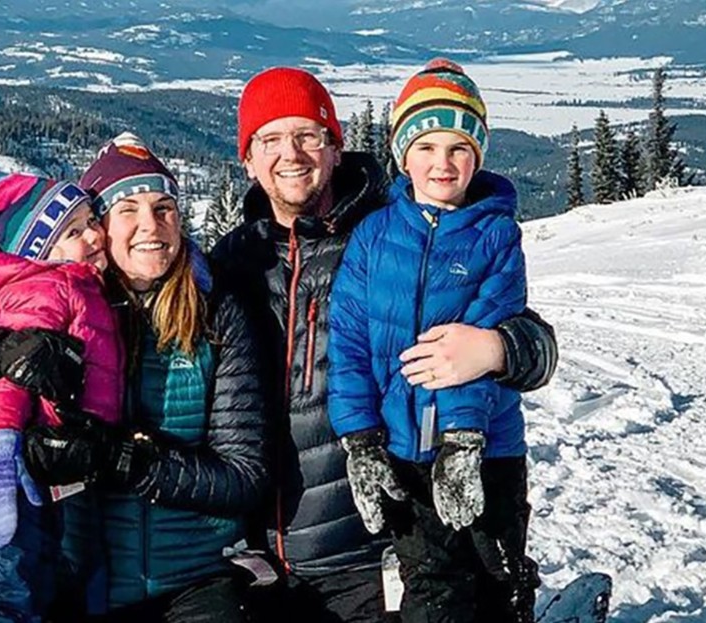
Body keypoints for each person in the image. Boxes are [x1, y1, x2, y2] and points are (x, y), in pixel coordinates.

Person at [207, 66, 560, 622]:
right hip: (266, 556)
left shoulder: (390, 232)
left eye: (307, 135)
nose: (291, 154)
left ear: (335, 146)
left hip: (375, 545)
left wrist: (496, 350)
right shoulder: (230, 264)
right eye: (270, 140)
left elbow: (532, 342)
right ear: (247, 159)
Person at [17, 133, 269, 623]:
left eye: (164, 207)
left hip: (196, 578)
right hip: (86, 579)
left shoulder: (217, 312)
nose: (150, 226)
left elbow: (244, 476)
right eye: (127, 209)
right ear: (99, 228)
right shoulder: (60, 311)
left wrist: (129, 461)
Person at [327, 58, 537, 623]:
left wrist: (463, 439)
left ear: (478, 155)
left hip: (487, 450)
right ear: (402, 155)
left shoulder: (496, 236)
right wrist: (361, 441)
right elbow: (346, 342)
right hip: (403, 453)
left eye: (458, 148)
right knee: (433, 589)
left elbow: (485, 346)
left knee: (496, 580)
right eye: (425, 147)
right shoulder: (373, 236)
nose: (441, 163)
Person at [0, 168, 124, 623]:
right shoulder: (47, 287)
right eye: (73, 232)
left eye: (91, 220)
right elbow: (11, 378)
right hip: (13, 463)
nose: (93, 235)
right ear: (41, 250)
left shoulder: (84, 285)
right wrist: (2, 447)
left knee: (56, 589)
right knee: (5, 592)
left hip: (58, 467)